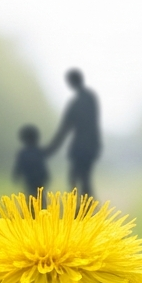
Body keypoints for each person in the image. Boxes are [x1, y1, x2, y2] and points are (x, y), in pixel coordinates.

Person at [45, 68, 102, 197]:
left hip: (80, 148)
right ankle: (86, 208)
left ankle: (81, 209)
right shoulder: (90, 98)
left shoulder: (76, 104)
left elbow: (64, 129)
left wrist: (49, 151)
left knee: (75, 178)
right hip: (91, 146)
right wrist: (97, 145)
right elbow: (94, 124)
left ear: (71, 82)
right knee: (84, 178)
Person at [12, 124, 49, 195]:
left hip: (32, 180)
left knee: (33, 197)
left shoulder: (23, 153)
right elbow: (43, 166)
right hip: (36, 180)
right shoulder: (38, 151)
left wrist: (16, 175)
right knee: (38, 197)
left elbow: (18, 166)